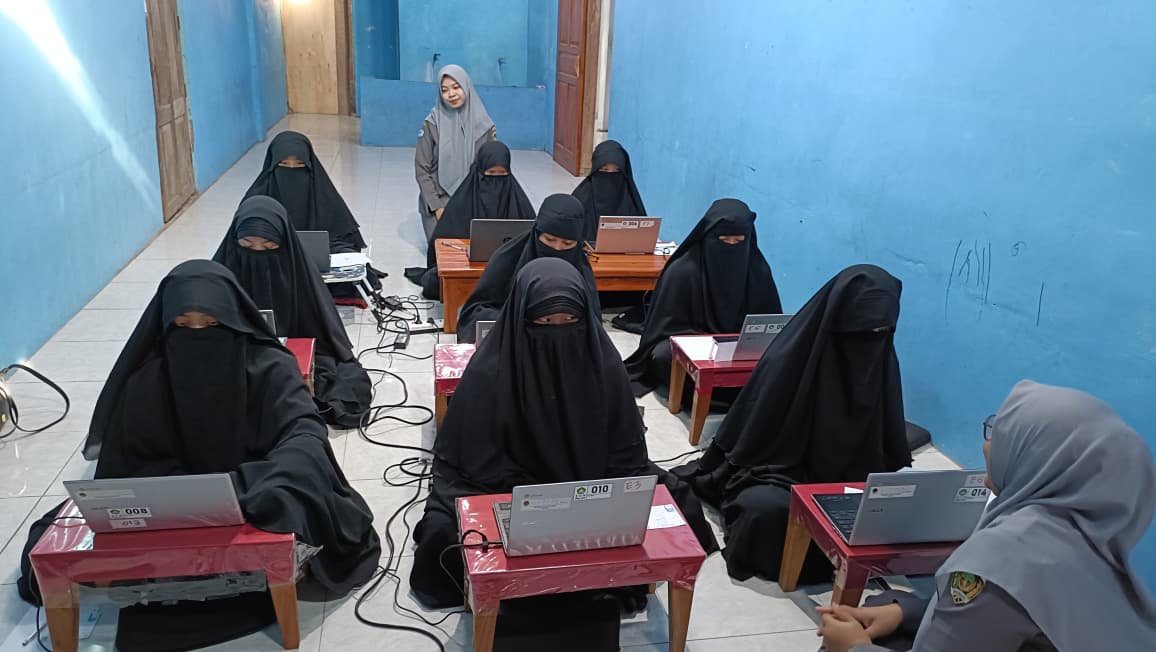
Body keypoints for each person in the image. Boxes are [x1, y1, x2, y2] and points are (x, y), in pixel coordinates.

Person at [18, 261, 380, 651]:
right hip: (173, 493)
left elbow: (304, 433)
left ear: (233, 320)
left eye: (211, 324)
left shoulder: (269, 366)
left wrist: (245, 486)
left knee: (298, 483)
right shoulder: (148, 378)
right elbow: (125, 462)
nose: (196, 334)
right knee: (68, 531)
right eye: (182, 325)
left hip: (254, 487)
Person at [409, 258, 717, 613]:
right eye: (544, 323)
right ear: (522, 318)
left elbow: (625, 454)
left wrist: (598, 494)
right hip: (506, 485)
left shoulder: (603, 365)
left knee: (676, 502)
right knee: (443, 534)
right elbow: (473, 463)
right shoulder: (489, 372)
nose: (557, 330)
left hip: (593, 480)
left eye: (570, 321)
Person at [819, 381, 1156, 652]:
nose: (987, 446)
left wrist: (853, 647)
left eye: (1001, 436)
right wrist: (903, 612)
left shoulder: (1001, 561)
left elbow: (993, 607)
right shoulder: (1094, 539)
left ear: (1036, 460)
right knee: (889, 603)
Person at [673, 265, 911, 582]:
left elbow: (885, 449)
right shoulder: (787, 362)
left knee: (914, 515)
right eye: (859, 334)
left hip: (853, 478)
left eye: (880, 333)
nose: (869, 342)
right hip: (783, 472)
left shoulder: (881, 362)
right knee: (766, 512)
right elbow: (755, 444)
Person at [212, 196, 372, 427]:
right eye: (247, 245)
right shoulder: (221, 278)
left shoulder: (300, 277)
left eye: (269, 246)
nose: (258, 252)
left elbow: (321, 334)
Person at [623, 199, 782, 397]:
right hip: (693, 345)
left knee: (779, 358)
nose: (731, 247)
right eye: (724, 240)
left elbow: (768, 325)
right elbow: (664, 331)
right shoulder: (682, 271)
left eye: (739, 241)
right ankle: (732, 396)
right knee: (663, 357)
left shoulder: (757, 271)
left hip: (740, 347)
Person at [455, 194, 597, 343]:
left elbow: (592, 323)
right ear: (537, 233)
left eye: (567, 244)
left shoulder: (580, 267)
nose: (557, 248)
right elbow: (476, 311)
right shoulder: (509, 257)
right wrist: (515, 323)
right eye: (549, 240)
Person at [403, 140, 535, 297]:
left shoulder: (518, 201)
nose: (496, 179)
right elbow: (442, 243)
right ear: (479, 171)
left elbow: (531, 241)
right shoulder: (463, 201)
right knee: (433, 281)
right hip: (467, 263)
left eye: (502, 174)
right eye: (490, 174)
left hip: (507, 266)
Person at [244, 130, 366, 253]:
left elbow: (346, 239)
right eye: (284, 164)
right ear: (273, 165)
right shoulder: (256, 200)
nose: (292, 169)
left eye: (299, 164)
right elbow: (244, 241)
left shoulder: (325, 197)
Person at [415, 64, 497, 240]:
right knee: (441, 249)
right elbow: (422, 171)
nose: (451, 94)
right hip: (440, 198)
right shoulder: (431, 124)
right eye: (444, 90)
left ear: (466, 86)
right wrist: (437, 207)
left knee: (478, 249)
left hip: (473, 199)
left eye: (456, 87)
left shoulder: (485, 127)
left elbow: (490, 172)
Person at [571, 139, 647, 241]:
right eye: (604, 170)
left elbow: (642, 237)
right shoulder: (580, 200)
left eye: (617, 170)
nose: (610, 176)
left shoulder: (631, 200)